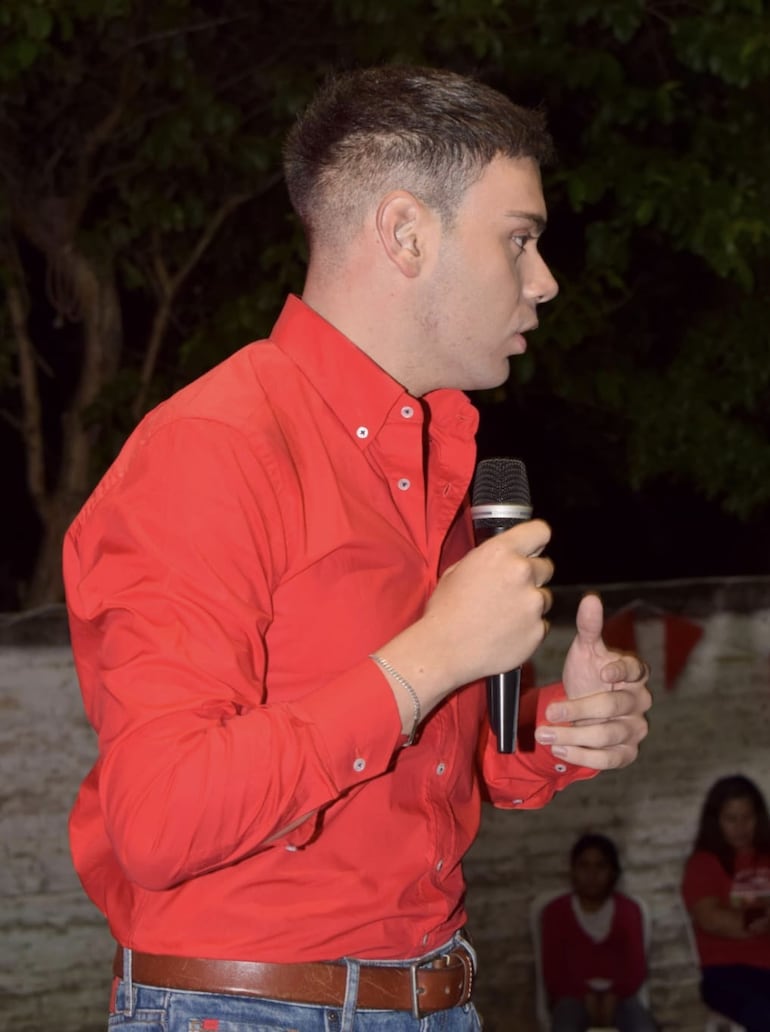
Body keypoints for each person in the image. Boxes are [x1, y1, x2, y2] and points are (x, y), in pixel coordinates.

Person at [63, 64, 652, 1032]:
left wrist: (555, 729)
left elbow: (415, 757)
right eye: (519, 239)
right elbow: (160, 816)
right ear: (405, 233)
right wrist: (429, 657)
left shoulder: (433, 460)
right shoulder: (213, 448)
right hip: (248, 1007)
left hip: (434, 993)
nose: (544, 280)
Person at [539, 833, 658, 1031]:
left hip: (621, 997)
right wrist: (584, 995)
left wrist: (613, 995)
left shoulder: (628, 911)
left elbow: (636, 967)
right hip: (572, 997)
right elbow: (553, 972)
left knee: (642, 1027)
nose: (591, 874)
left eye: (600, 866)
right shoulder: (556, 912)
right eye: (584, 866)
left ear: (612, 871)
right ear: (573, 870)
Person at [682, 774, 770, 1031]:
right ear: (716, 821)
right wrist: (760, 918)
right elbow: (712, 919)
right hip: (726, 971)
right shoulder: (702, 864)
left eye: (747, 817)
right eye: (731, 819)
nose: (741, 827)